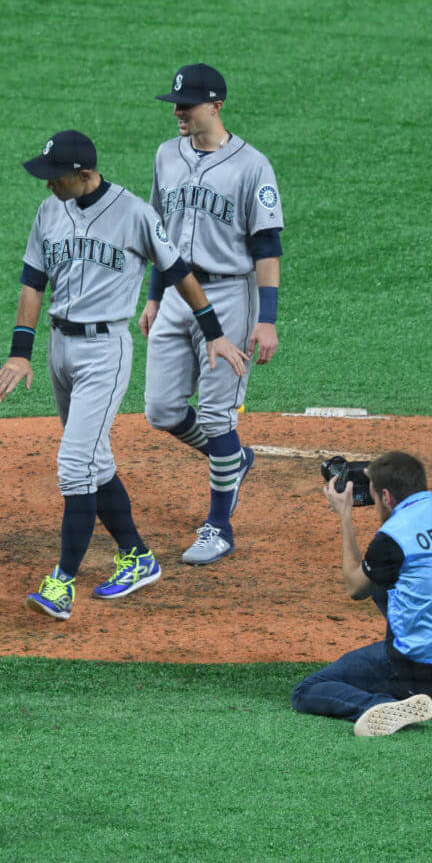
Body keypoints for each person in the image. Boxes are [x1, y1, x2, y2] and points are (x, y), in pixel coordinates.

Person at [0, 130, 246, 620]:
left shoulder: (134, 214)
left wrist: (213, 332)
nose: (47, 187)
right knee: (94, 464)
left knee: (72, 465)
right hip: (60, 349)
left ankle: (62, 582)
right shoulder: (50, 212)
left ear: (84, 174)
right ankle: (138, 557)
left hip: (105, 350)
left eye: (55, 178)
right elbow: (32, 282)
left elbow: (178, 270)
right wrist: (21, 352)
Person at [140, 63, 283, 566]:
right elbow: (159, 233)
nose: (178, 112)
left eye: (188, 104)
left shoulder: (252, 166)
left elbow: (267, 246)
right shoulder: (165, 155)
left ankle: (219, 526)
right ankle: (232, 459)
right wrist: (154, 296)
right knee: (160, 410)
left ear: (216, 106)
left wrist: (267, 319)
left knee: (219, 414)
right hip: (178, 293)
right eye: (176, 104)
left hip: (230, 297)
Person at [292, 451, 432, 737]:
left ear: (387, 497)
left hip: (426, 670)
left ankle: (381, 705)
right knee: (396, 578)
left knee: (308, 690)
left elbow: (356, 588)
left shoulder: (393, 537)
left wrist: (344, 516)